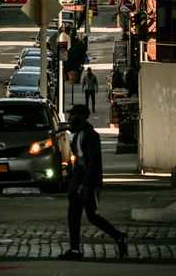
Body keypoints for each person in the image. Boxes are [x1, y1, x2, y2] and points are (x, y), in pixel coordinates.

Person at [58, 104, 128, 261]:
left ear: (81, 116)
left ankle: (119, 237)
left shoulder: (91, 135)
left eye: (73, 115)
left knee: (92, 216)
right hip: (77, 182)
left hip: (88, 183)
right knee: (73, 215)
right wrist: (72, 180)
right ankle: (75, 249)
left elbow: (94, 162)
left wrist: (87, 184)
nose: (70, 119)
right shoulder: (77, 135)